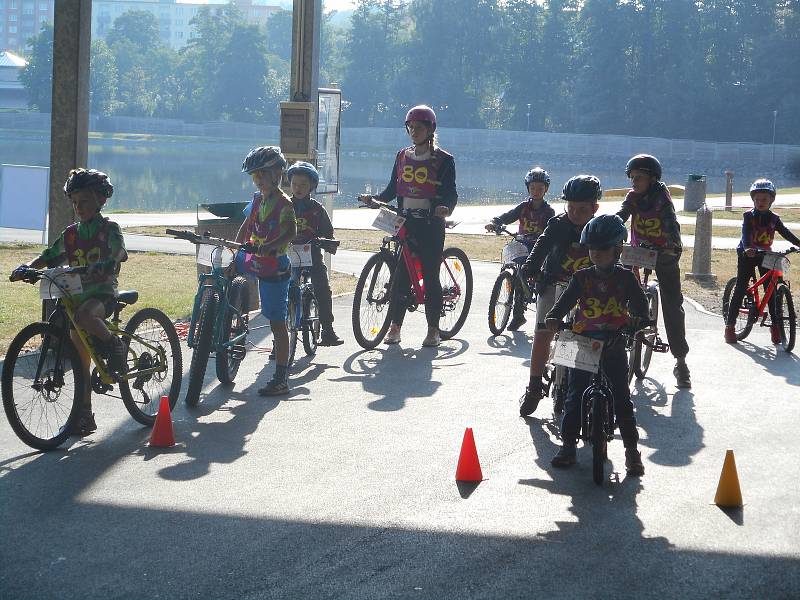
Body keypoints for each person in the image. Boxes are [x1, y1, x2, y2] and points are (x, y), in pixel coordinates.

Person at [10, 169, 128, 436]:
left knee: (86, 316)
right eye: (74, 202)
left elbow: (119, 250)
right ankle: (84, 416)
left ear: (100, 200)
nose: (78, 207)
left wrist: (110, 261)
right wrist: (27, 267)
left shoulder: (109, 228)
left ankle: (114, 345)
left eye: (84, 201)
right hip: (75, 298)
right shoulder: (71, 234)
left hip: (102, 294)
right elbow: (50, 256)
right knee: (80, 362)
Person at [545, 214, 647, 475]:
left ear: (618, 249)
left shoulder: (626, 278)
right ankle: (568, 446)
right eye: (592, 249)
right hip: (580, 341)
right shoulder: (581, 277)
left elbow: (639, 305)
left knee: (623, 397)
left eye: (603, 249)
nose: (597, 254)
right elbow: (565, 303)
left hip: (613, 342)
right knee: (573, 394)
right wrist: (554, 317)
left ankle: (632, 452)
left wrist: (639, 320)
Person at [357, 104, 458, 347]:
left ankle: (433, 329)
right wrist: (376, 200)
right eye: (410, 127)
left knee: (431, 275)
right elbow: (393, 189)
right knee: (401, 275)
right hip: (405, 221)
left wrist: (445, 208)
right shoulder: (402, 156)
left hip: (430, 224)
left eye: (419, 128)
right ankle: (395, 327)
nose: (414, 131)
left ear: (430, 130)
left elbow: (450, 193)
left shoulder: (444, 160)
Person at [518, 175, 600, 416]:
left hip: (586, 289)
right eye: (571, 208)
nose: (575, 213)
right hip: (553, 282)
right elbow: (541, 245)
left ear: (595, 207)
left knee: (581, 336)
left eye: (582, 209)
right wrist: (531, 267)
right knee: (543, 334)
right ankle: (534, 386)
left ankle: (580, 385)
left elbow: (614, 252)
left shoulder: (599, 227)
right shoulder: (557, 224)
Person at [616, 154, 691, 389]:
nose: (634, 182)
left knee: (672, 303)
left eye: (639, 177)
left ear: (652, 178)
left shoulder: (662, 198)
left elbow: (670, 223)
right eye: (632, 178)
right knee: (618, 287)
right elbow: (622, 216)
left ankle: (681, 362)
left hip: (663, 252)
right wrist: (609, 228)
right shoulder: (632, 198)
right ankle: (620, 334)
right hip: (638, 251)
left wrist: (672, 245)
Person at [236, 146, 297, 396]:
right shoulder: (258, 199)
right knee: (228, 274)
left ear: (277, 173)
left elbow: (290, 232)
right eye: (254, 175)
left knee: (277, 323)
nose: (258, 179)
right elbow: (247, 226)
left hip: (275, 265)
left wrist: (271, 247)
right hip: (257, 259)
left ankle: (281, 379)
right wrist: (237, 248)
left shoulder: (284, 203)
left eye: (262, 173)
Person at [724, 179, 800, 343]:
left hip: (765, 254)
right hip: (748, 253)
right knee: (741, 286)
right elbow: (745, 234)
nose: (760, 202)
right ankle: (730, 327)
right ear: (753, 200)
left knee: (771, 289)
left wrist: (798, 243)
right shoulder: (748, 216)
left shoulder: (774, 219)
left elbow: (786, 232)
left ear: (771, 200)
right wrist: (747, 248)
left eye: (764, 199)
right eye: (757, 199)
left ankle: (775, 327)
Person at [485, 167, 555, 330]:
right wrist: (496, 222)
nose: (536, 191)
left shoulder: (548, 211)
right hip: (522, 244)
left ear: (546, 190)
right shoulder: (523, 207)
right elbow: (508, 216)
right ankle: (518, 315)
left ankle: (526, 311)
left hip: (539, 247)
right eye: (532, 188)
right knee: (517, 274)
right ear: (528, 188)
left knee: (532, 274)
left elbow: (552, 229)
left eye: (540, 188)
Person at [286, 161, 343, 346]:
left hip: (313, 257)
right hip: (289, 258)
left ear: (312, 186)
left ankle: (328, 330)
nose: (298, 188)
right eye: (294, 184)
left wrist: (327, 242)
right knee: (285, 292)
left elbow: (328, 232)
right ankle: (280, 341)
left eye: (303, 184)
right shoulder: (284, 206)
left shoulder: (318, 209)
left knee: (323, 290)